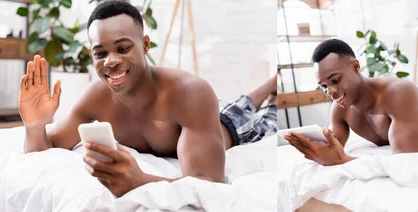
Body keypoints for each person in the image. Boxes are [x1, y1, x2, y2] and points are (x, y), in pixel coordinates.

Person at [19, 0, 277, 197]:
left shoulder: (190, 91)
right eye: (100, 53)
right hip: (209, 113)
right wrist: (35, 125)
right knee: (245, 101)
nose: (110, 61)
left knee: (265, 113)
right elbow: (44, 151)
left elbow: (208, 183)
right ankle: (269, 85)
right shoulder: (94, 97)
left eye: (123, 48)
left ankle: (274, 85)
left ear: (144, 44)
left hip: (232, 127)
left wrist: (140, 180)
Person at [283, 39, 418, 166]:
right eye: (324, 86)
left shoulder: (399, 93)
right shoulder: (340, 109)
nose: (329, 92)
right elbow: (333, 149)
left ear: (355, 66)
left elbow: (406, 163)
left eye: (335, 80)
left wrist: (344, 160)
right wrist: (315, 149)